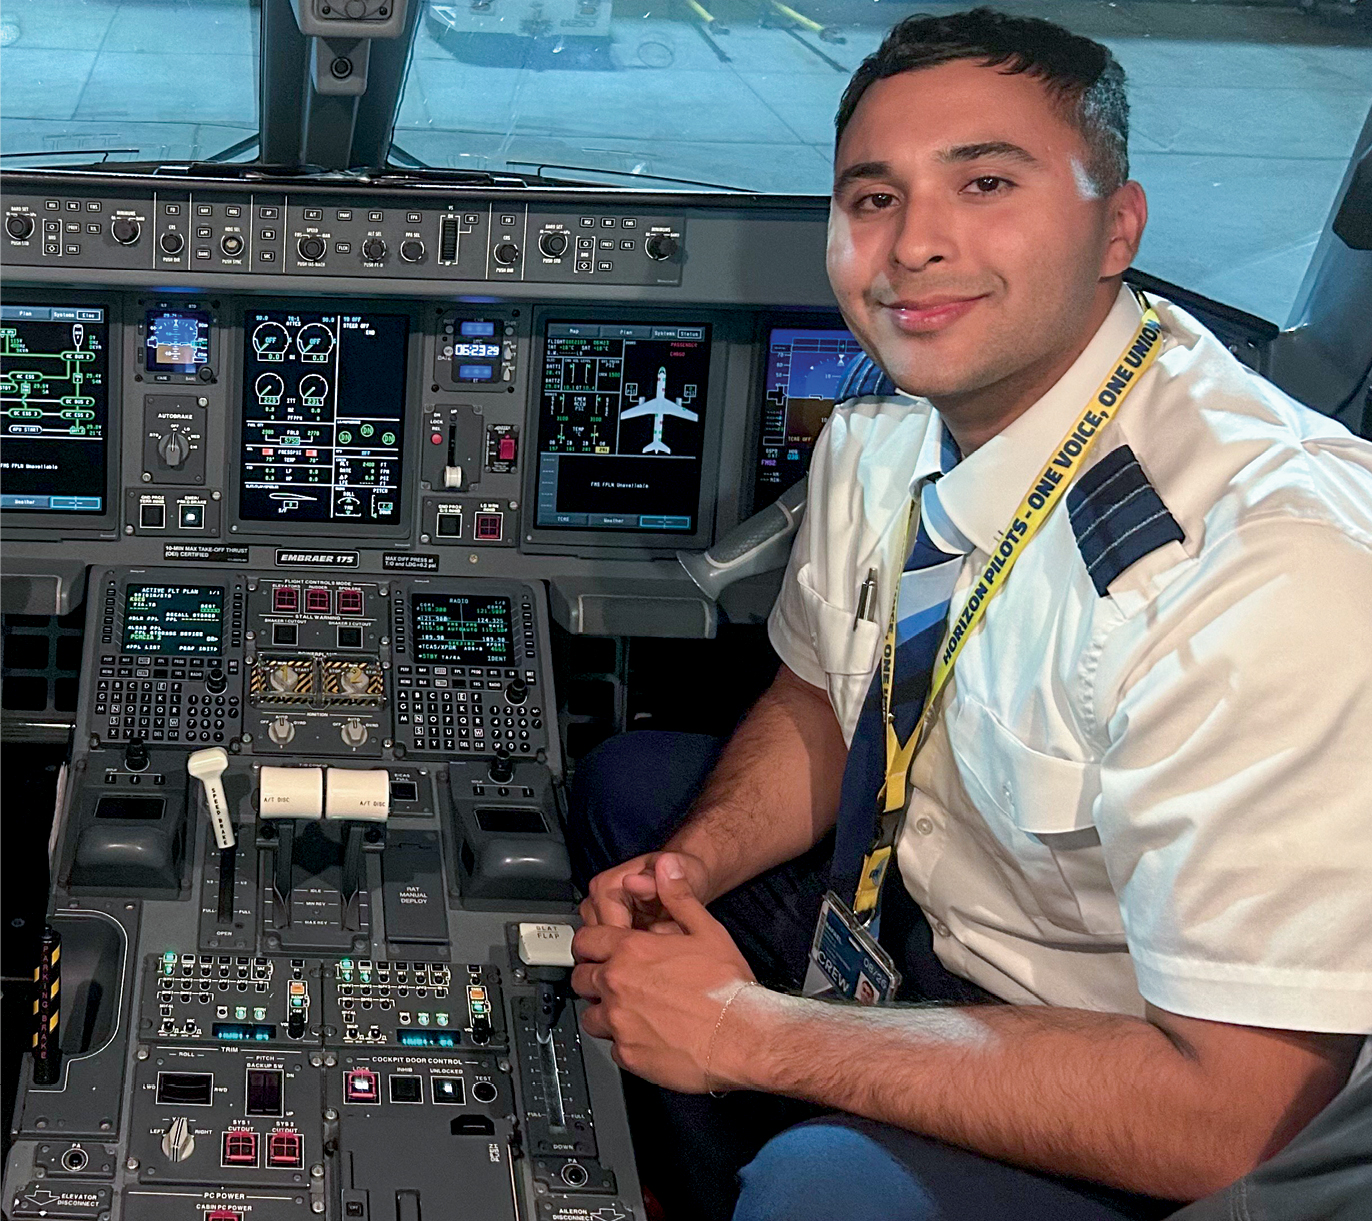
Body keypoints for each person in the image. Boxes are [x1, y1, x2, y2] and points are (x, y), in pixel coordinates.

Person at [566, 9, 1372, 1219]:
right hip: (926, 924)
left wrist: (755, 1036)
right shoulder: (886, 429)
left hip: (1132, 1061)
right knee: (633, 798)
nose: (916, 245)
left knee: (821, 1191)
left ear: (1119, 223)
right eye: (873, 199)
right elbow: (823, 700)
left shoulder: (1269, 570)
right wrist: (691, 865)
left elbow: (1236, 1120)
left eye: (985, 181)